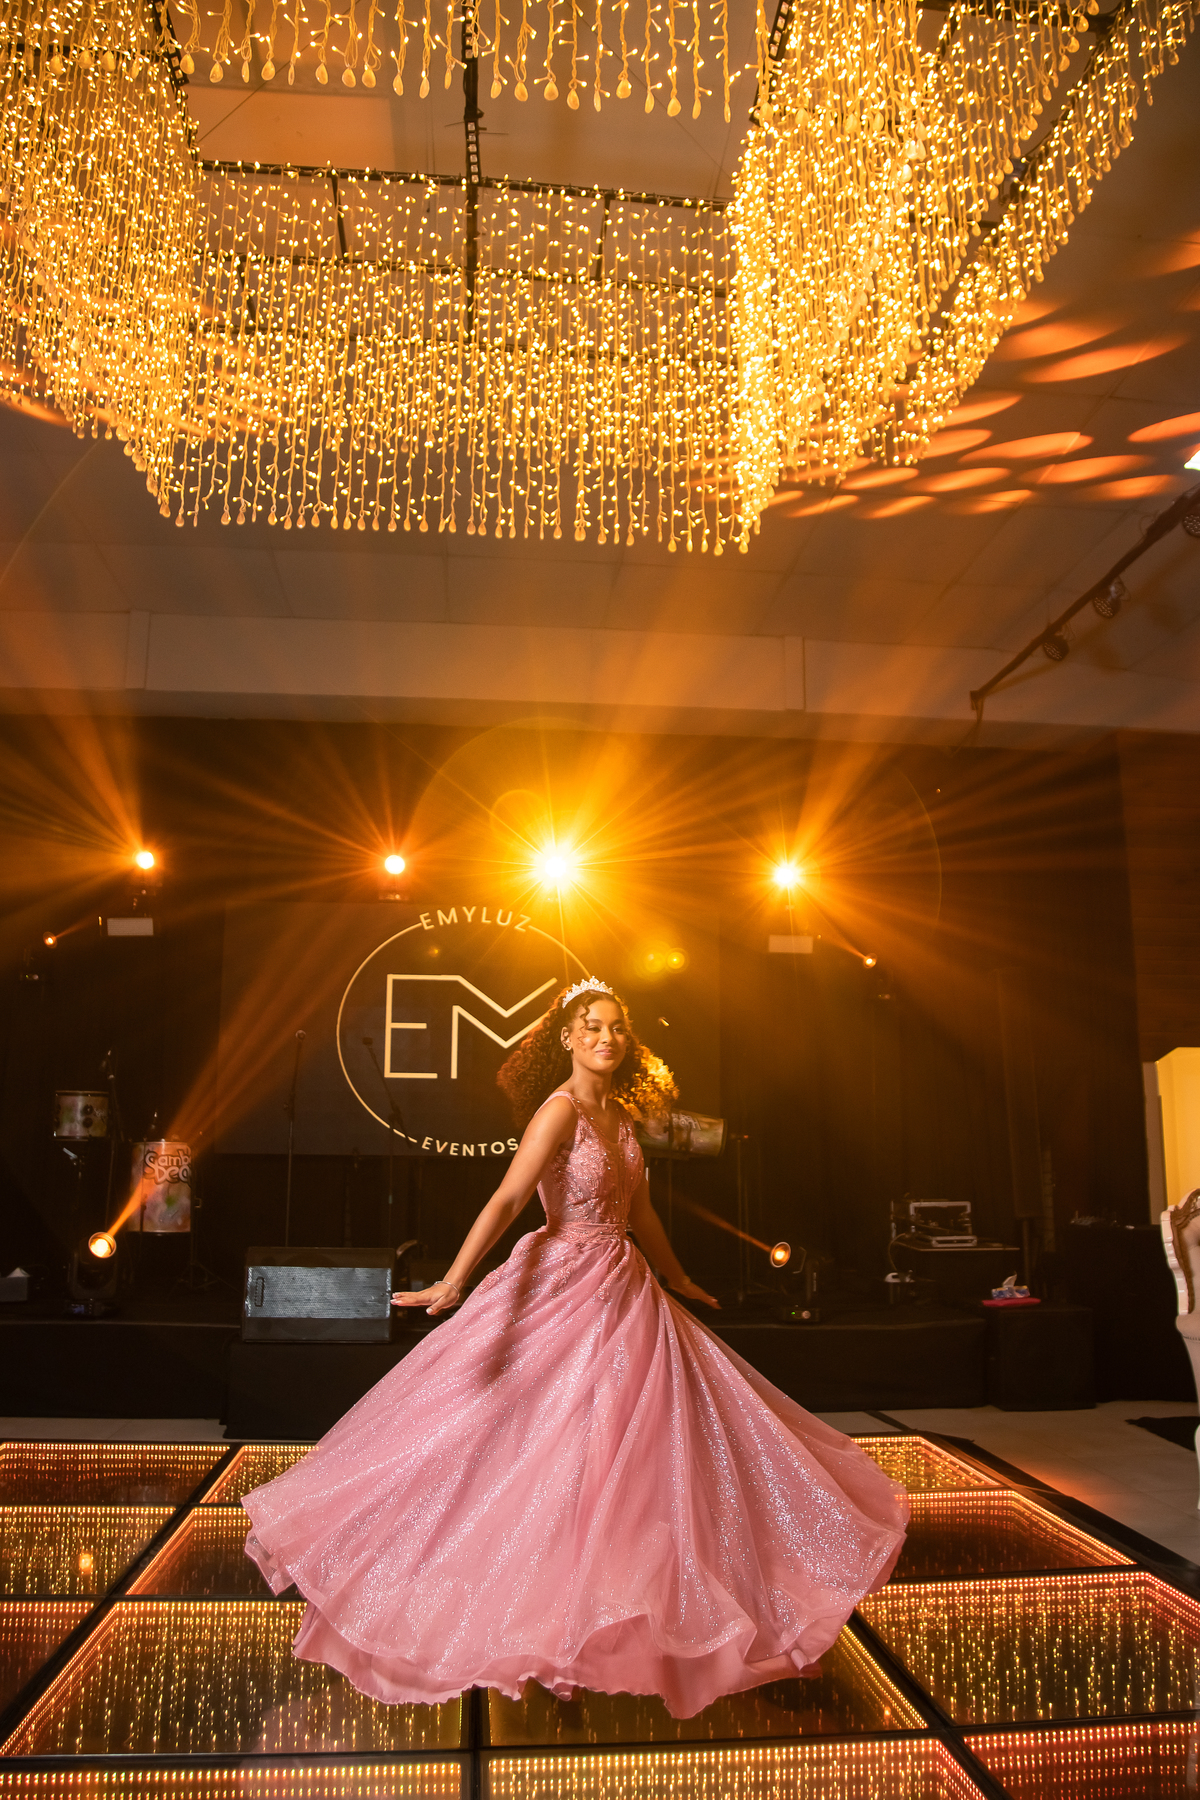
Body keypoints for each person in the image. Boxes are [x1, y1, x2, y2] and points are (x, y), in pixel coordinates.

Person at [242, 979, 907, 1719]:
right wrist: (454, 1280)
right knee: (536, 1433)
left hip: (623, 1281)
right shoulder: (558, 1112)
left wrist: (678, 1276)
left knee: (637, 1439)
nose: (605, 1038)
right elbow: (507, 1198)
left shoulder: (620, 1114)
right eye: (591, 1026)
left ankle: (612, 1597)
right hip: (561, 1276)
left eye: (617, 1028)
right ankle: (532, 1605)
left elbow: (641, 1209)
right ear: (566, 1036)